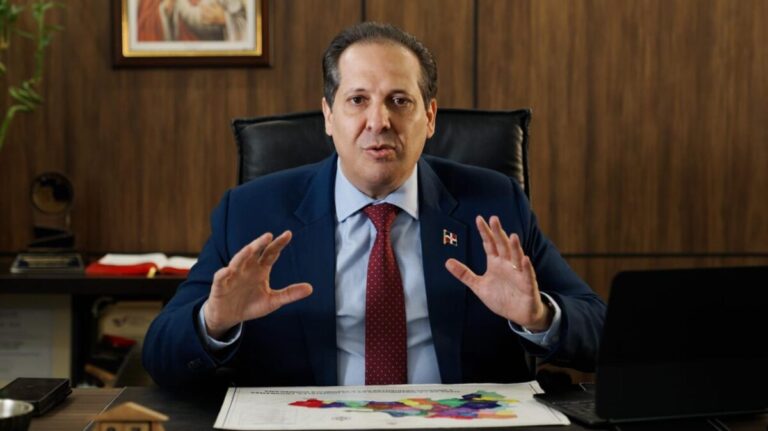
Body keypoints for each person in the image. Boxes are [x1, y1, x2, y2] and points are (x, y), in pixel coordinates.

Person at [143, 22, 606, 389]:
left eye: (399, 101)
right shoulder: (251, 213)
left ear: (429, 117)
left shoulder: (493, 203)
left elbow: (603, 332)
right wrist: (215, 322)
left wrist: (539, 317)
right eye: (357, 100)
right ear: (329, 116)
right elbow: (160, 354)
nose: (378, 121)